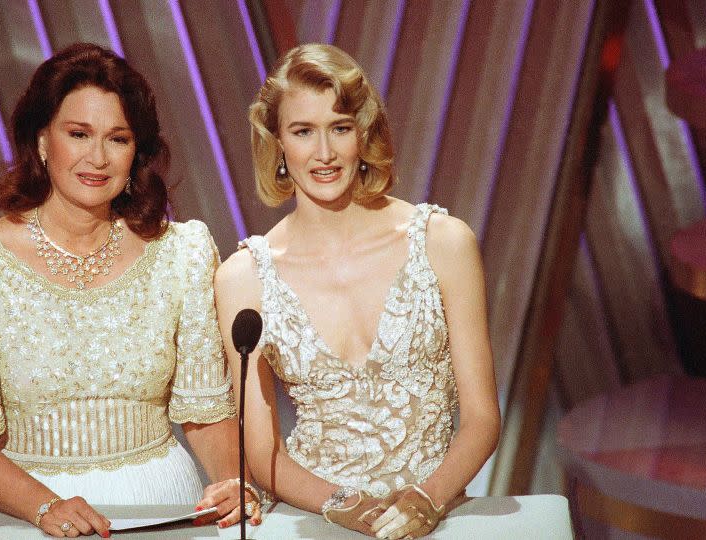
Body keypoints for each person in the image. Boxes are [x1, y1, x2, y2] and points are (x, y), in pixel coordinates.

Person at [0, 43, 259, 538]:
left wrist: (233, 482)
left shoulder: (180, 254)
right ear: (41, 141)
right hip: (27, 513)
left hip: (161, 507)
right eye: (78, 134)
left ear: (135, 152)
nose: (97, 158)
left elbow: (205, 412)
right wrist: (45, 507)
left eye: (117, 139)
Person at [214, 44, 500, 539]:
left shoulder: (443, 243)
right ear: (278, 142)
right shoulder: (243, 277)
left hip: (434, 517)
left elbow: (481, 418)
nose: (323, 154)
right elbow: (262, 454)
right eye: (303, 131)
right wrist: (342, 505)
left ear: (362, 134)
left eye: (339, 128)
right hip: (315, 519)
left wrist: (427, 499)